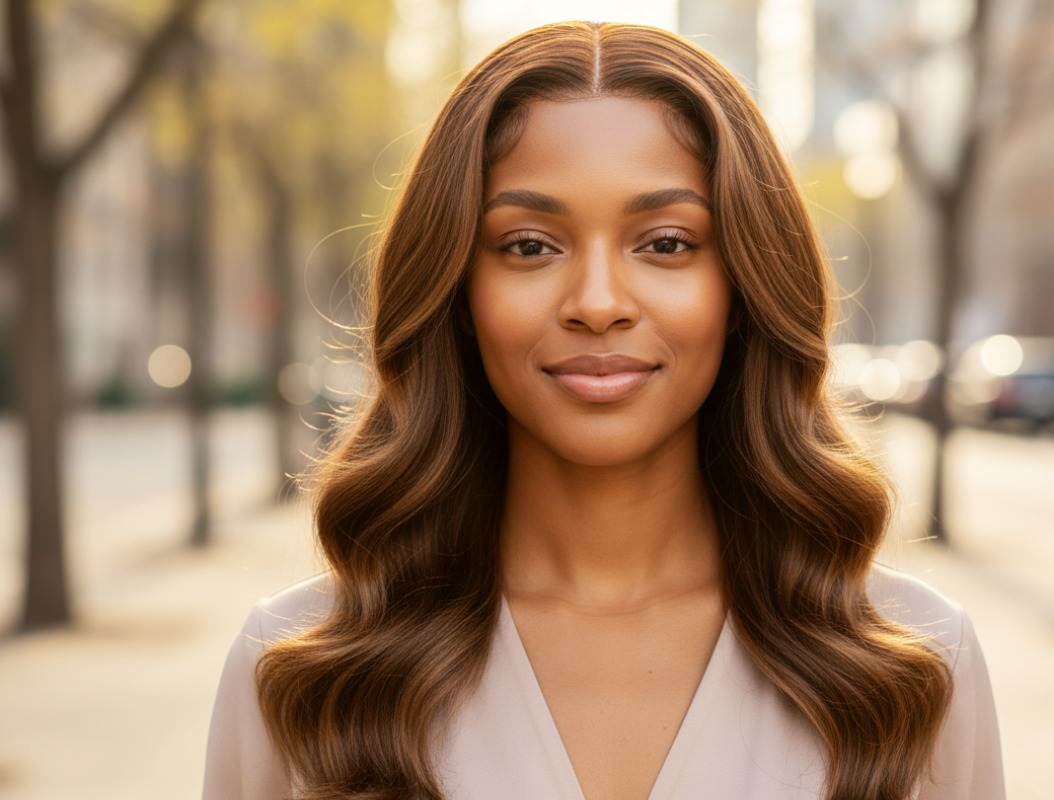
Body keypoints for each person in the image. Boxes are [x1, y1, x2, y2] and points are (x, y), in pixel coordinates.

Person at [202, 20, 1004, 800]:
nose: (596, 303)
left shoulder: (914, 665)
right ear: (458, 292)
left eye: (666, 243)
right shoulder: (301, 670)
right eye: (529, 245)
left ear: (741, 287)